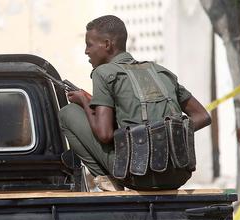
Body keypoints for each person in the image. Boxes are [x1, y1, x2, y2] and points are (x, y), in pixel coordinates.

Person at [59, 15, 211, 191]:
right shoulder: (160, 72)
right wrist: (169, 131)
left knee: (67, 114)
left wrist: (85, 102)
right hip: (178, 174)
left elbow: (105, 135)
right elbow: (203, 116)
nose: (86, 51)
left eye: (89, 44)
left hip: (137, 175)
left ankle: (108, 180)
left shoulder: (103, 73)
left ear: (107, 45)